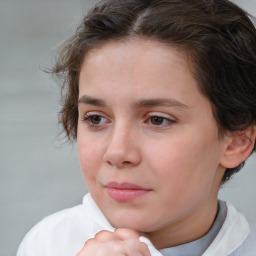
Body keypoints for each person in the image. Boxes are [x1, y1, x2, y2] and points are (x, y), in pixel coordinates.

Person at [17, 0, 256, 255]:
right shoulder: (46, 245)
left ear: (236, 141)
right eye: (96, 118)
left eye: (157, 120)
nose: (117, 153)